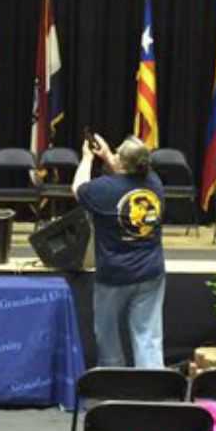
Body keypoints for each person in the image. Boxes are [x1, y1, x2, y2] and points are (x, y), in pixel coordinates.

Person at [74, 132, 167, 368]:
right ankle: (154, 389)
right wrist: (107, 155)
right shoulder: (154, 183)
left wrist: (87, 158)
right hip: (151, 272)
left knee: (107, 335)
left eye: (117, 154)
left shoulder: (105, 190)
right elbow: (126, 176)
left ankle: (114, 385)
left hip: (114, 276)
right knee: (148, 337)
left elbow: (78, 189)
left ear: (122, 162)